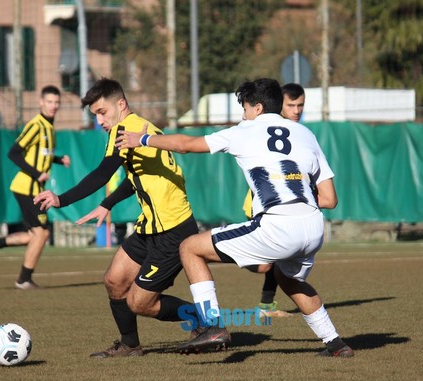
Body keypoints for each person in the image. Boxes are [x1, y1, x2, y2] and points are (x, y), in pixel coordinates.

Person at [117, 78, 354, 357]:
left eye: (245, 107)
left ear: (257, 107)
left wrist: (142, 139)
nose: (243, 114)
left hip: (277, 225)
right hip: (313, 227)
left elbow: (184, 144)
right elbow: (330, 199)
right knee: (289, 279)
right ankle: (336, 343)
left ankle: (212, 326)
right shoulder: (306, 134)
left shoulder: (245, 130)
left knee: (190, 248)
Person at [34, 78, 199, 357]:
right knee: (114, 281)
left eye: (102, 112)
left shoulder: (126, 128)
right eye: (95, 114)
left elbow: (103, 173)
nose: (100, 121)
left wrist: (60, 199)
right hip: (151, 227)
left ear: (121, 104)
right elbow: (135, 177)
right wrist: (107, 204)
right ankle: (130, 345)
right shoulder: (138, 127)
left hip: (173, 230)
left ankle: (201, 317)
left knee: (139, 302)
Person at [0, 85, 70, 289]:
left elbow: (41, 155)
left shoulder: (49, 127)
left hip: (34, 189)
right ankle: (24, 279)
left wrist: (59, 159)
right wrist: (37, 174)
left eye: (56, 102)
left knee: (34, 235)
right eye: (50, 102)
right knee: (43, 234)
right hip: (27, 187)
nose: (54, 106)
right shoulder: (36, 125)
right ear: (41, 102)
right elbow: (14, 152)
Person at [242, 83, 307, 317]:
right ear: (280, 105)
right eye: (291, 105)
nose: (296, 110)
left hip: (285, 207)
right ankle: (224, 252)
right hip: (263, 204)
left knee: (279, 261)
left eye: (301, 105)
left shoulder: (298, 132)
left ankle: (266, 306)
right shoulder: (268, 129)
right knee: (266, 265)